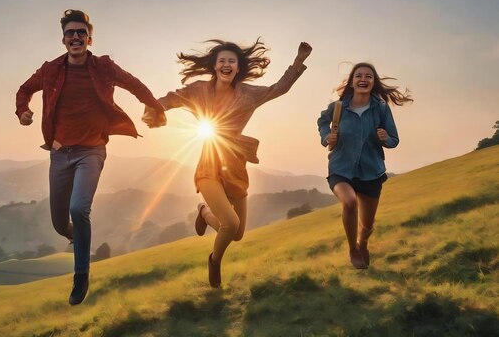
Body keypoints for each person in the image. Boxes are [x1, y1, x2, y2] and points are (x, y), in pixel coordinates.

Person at [15, 9, 166, 305]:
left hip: (92, 151)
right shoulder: (50, 70)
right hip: (59, 154)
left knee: (79, 209)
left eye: (81, 33)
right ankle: (73, 235)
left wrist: (155, 107)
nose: (75, 37)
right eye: (70, 33)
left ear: (89, 38)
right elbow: (24, 90)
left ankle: (81, 274)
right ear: (63, 39)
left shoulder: (104, 67)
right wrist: (23, 111)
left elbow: (134, 84)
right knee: (60, 222)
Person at [143, 39, 311, 287]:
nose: (226, 64)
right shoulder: (199, 89)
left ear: (238, 67)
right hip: (209, 164)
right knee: (230, 224)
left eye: (231, 61)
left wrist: (298, 61)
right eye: (221, 60)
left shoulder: (249, 94)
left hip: (235, 166)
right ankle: (214, 261)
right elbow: (172, 98)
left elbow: (279, 88)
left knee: (238, 234)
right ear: (214, 66)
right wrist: (154, 110)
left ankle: (203, 211)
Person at [317, 62, 412, 269]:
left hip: (371, 172)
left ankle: (363, 243)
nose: (363, 79)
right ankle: (352, 248)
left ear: (373, 82)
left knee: (367, 225)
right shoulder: (338, 107)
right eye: (358, 75)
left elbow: (394, 140)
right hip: (340, 169)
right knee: (349, 202)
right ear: (351, 82)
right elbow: (323, 122)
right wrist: (327, 137)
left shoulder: (381, 109)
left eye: (368, 76)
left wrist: (385, 137)